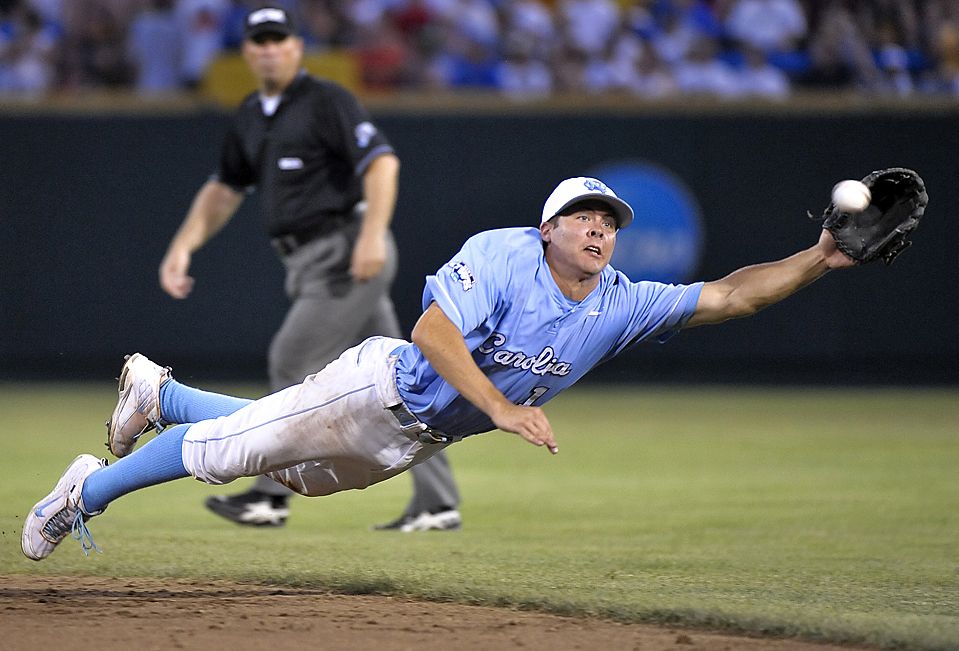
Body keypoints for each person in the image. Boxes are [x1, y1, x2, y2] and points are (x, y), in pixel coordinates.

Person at [22, 174, 859, 561]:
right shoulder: (502, 255)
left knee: (275, 457)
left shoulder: (620, 301)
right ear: (547, 228)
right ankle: (82, 492)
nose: (598, 231)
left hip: (405, 441)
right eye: (581, 218)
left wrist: (817, 257)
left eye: (609, 221)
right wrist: (499, 406)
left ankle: (159, 392)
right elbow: (430, 329)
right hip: (374, 388)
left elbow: (728, 296)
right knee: (231, 456)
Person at [151, 5, 462, 531]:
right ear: (248, 50)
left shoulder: (326, 100)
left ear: (297, 46)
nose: (270, 48)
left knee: (290, 360)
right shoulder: (251, 113)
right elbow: (224, 189)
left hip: (344, 253)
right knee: (409, 383)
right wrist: (183, 246)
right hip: (308, 259)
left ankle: (269, 496)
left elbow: (383, 162)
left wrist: (369, 236)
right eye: (260, 40)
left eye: (280, 38)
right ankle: (439, 503)